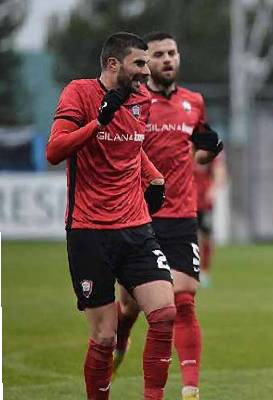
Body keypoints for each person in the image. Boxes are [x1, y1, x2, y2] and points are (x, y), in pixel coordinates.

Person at [46, 32, 176, 400]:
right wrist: (97, 122)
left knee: (165, 314)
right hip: (90, 231)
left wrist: (153, 176)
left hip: (136, 227)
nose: (146, 71)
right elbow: (54, 151)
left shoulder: (142, 99)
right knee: (104, 337)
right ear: (113, 64)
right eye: (139, 63)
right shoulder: (79, 93)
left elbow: (133, 148)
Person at [113, 32, 223, 400]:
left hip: (181, 215)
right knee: (131, 305)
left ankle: (190, 388)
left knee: (184, 300)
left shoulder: (194, 102)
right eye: (158, 54)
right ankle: (122, 336)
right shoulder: (133, 103)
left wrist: (209, 149)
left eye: (172, 52)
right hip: (138, 216)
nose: (167, 59)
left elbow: (198, 152)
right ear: (146, 63)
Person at [194, 154, 226, 288]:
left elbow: (220, 170)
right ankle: (190, 270)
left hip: (204, 203)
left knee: (206, 236)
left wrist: (213, 189)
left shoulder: (208, 147)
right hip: (186, 202)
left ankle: (205, 271)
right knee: (187, 237)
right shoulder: (184, 147)